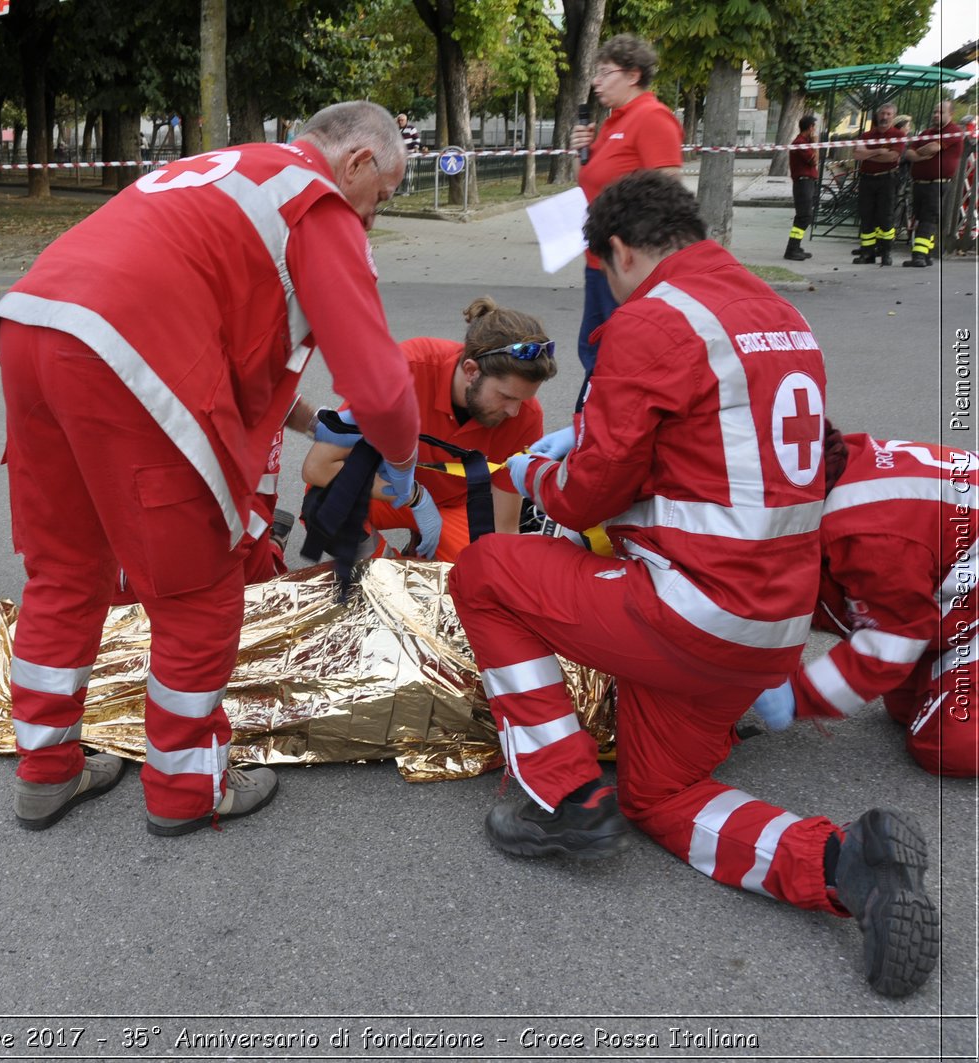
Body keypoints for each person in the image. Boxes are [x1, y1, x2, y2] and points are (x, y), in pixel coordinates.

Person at [447, 171, 940, 998]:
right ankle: (846, 865)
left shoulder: (651, 322)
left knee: (487, 572)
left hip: (691, 612)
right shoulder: (784, 316)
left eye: (602, 271)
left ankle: (561, 791)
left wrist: (536, 473)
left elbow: (592, 492)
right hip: (771, 632)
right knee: (661, 793)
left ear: (621, 252)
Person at [0, 101, 421, 837]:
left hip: (34, 326)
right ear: (356, 164)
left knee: (64, 571)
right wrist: (402, 463)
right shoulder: (316, 202)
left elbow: (210, 316)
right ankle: (187, 787)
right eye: (379, 199)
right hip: (124, 356)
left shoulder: (226, 172)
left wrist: (313, 419)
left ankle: (45, 771)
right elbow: (380, 385)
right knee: (196, 588)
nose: (372, 221)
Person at [751, 424, 977, 777]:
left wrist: (801, 693)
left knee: (953, 743)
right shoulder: (836, 470)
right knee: (903, 705)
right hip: (961, 583)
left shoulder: (869, 536)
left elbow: (894, 636)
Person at [301, 297, 557, 562]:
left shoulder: (526, 415)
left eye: (522, 399)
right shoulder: (404, 371)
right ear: (471, 371)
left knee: (482, 570)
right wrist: (417, 499)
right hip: (387, 492)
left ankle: (422, 558)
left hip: (457, 504)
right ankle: (391, 568)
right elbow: (318, 467)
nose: (514, 411)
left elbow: (504, 527)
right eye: (506, 397)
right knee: (327, 509)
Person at [569, 34, 682, 383]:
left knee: (619, 359)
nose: (596, 81)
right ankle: (596, 424)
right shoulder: (611, 122)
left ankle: (608, 426)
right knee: (595, 353)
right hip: (600, 260)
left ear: (633, 75)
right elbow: (587, 181)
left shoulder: (652, 117)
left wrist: (636, 248)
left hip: (629, 266)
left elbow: (667, 193)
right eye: (596, 73)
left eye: (605, 73)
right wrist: (581, 153)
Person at [902, 100, 961, 267]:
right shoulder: (926, 132)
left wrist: (921, 152)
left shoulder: (953, 131)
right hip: (920, 183)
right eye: (935, 112)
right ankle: (926, 254)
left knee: (928, 217)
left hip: (936, 183)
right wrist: (922, 155)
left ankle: (918, 255)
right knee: (923, 217)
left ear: (951, 114)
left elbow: (933, 148)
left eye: (941, 112)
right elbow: (909, 154)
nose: (936, 115)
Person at [852, 103, 905, 266]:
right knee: (866, 216)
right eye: (883, 113)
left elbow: (892, 157)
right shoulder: (867, 135)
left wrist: (868, 154)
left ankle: (886, 252)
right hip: (867, 179)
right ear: (877, 115)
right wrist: (878, 151)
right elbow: (857, 154)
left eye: (889, 114)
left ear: (893, 116)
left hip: (887, 179)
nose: (885, 117)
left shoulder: (898, 135)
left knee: (885, 217)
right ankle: (867, 253)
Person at [784, 114, 818, 261]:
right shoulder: (801, 143)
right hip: (803, 183)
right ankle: (792, 249)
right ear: (810, 127)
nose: (815, 130)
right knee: (804, 217)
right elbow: (814, 160)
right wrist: (816, 144)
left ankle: (795, 247)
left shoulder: (804, 142)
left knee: (803, 216)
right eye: (814, 127)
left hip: (806, 182)